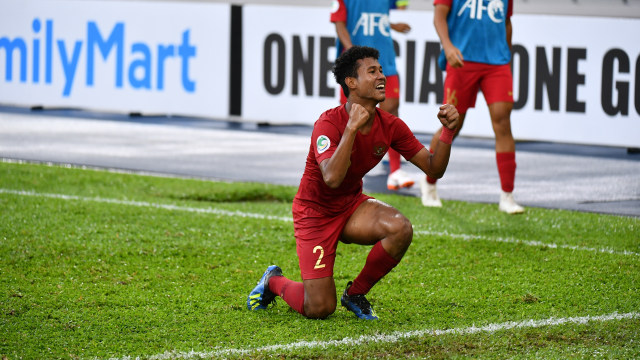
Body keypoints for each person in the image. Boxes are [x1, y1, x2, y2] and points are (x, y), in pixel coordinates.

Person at [247, 46, 459, 320]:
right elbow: (332, 178)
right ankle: (273, 282)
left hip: (350, 206)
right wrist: (351, 128)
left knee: (400, 228)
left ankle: (355, 294)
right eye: (372, 71)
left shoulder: (391, 125)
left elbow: (434, 168)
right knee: (320, 308)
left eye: (381, 70)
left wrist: (448, 132)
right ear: (351, 82)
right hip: (315, 214)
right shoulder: (328, 123)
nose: (382, 77)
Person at [420, 0, 525, 214]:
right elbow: (439, 15)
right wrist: (448, 47)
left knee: (503, 121)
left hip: (496, 63)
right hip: (461, 59)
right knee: (452, 124)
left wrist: (506, 55)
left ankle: (507, 196)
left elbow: (506, 21)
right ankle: (429, 183)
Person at [331, 0, 415, 192]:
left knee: (391, 109)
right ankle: (342, 171)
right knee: (350, 117)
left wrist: (393, 25)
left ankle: (395, 172)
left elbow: (400, 6)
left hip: (384, 58)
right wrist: (353, 54)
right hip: (355, 65)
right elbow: (339, 24)